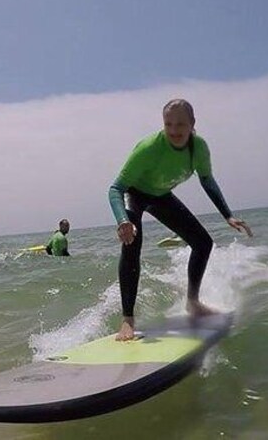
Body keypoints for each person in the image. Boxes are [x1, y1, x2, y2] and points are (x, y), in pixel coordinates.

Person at [108, 99, 253, 341]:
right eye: (168, 124)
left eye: (180, 124)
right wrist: (123, 220)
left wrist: (227, 214)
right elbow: (116, 188)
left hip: (161, 195)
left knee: (203, 243)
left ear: (192, 124)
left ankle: (193, 303)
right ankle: (127, 321)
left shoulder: (198, 149)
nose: (174, 130)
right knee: (131, 243)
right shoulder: (149, 148)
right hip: (133, 193)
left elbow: (207, 180)